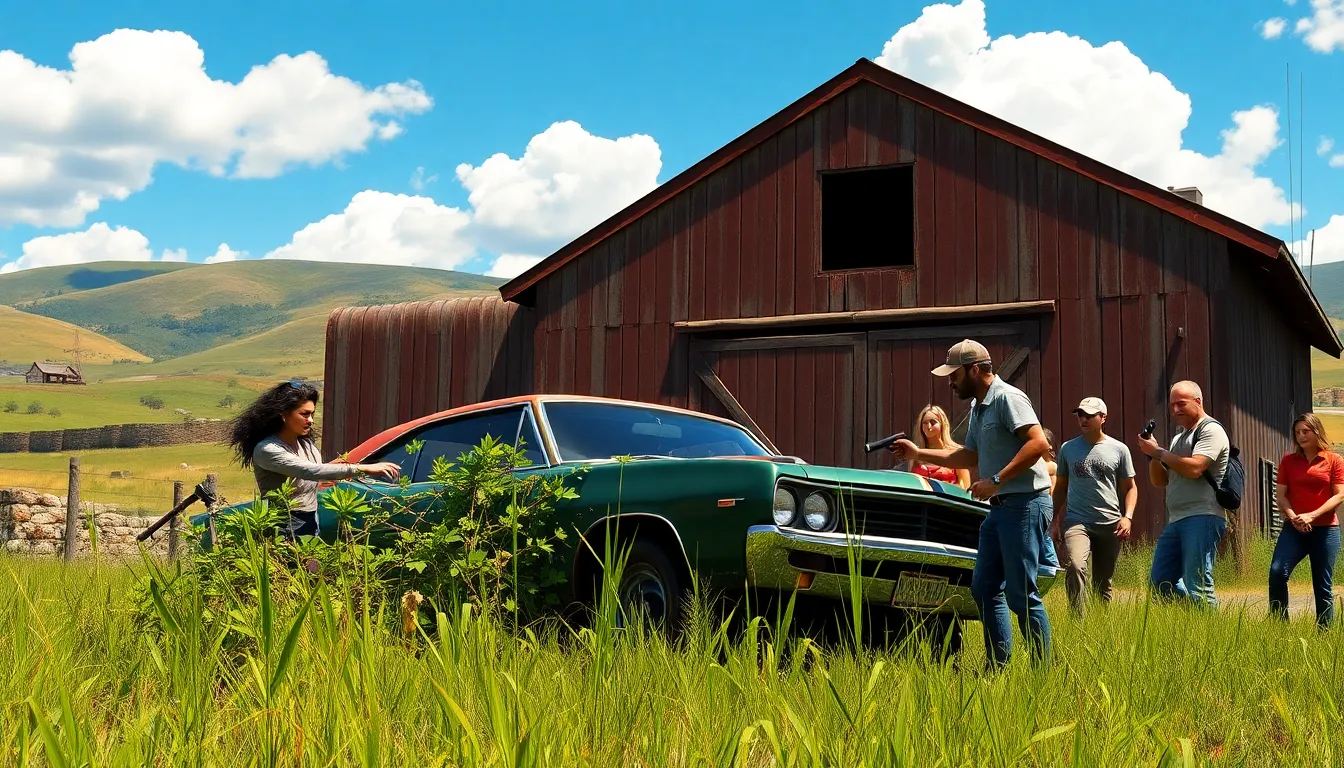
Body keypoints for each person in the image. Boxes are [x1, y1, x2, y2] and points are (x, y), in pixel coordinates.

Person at [890, 339, 1054, 667]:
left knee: (1021, 596)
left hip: (1025, 505)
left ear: (974, 369)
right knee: (983, 588)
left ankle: (1043, 675)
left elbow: (1037, 443)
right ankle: (998, 667)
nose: (950, 381)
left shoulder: (1008, 398)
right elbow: (967, 455)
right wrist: (918, 453)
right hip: (998, 510)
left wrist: (996, 479)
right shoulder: (978, 407)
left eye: (954, 374)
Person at [228, 380, 401, 540]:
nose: (310, 420)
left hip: (311, 516)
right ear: (284, 415)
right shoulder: (268, 450)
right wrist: (362, 468)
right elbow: (310, 471)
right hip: (286, 523)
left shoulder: (306, 444)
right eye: (304, 414)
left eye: (312, 414)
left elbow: (319, 468)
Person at [1137, 380, 1229, 608]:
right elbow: (1160, 481)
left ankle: (1208, 633)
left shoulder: (1211, 430)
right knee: (1160, 582)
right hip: (1177, 519)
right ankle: (1193, 619)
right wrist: (1153, 455)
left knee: (1197, 583)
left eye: (1181, 404)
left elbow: (1195, 468)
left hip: (1203, 515)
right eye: (1172, 405)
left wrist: (1159, 451)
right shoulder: (1179, 438)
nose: (1175, 410)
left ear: (1198, 402)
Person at [1050, 397, 1137, 618]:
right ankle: (1078, 621)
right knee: (1076, 566)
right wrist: (1054, 520)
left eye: (1090, 415)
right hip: (1077, 521)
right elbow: (1060, 487)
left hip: (1110, 523)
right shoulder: (1068, 449)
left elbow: (1130, 488)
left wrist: (1127, 517)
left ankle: (1100, 625)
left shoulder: (1119, 449)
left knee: (1103, 583)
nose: (1084, 419)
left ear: (1103, 418)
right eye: (1080, 414)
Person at [1268, 414, 1344, 626]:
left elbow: (1339, 495)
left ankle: (1324, 633)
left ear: (1316, 431)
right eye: (1297, 432)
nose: (1300, 436)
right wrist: (1294, 517)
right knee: (1277, 571)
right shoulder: (1288, 461)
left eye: (1305, 431)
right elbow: (1281, 495)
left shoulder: (1334, 460)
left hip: (1326, 530)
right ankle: (1278, 626)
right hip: (1294, 529)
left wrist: (1312, 514)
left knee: (1322, 585)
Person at [909, 404, 971, 490]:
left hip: (948, 500)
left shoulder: (956, 453)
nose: (928, 427)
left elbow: (965, 487)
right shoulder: (916, 454)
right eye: (924, 423)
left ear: (942, 424)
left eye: (933, 422)